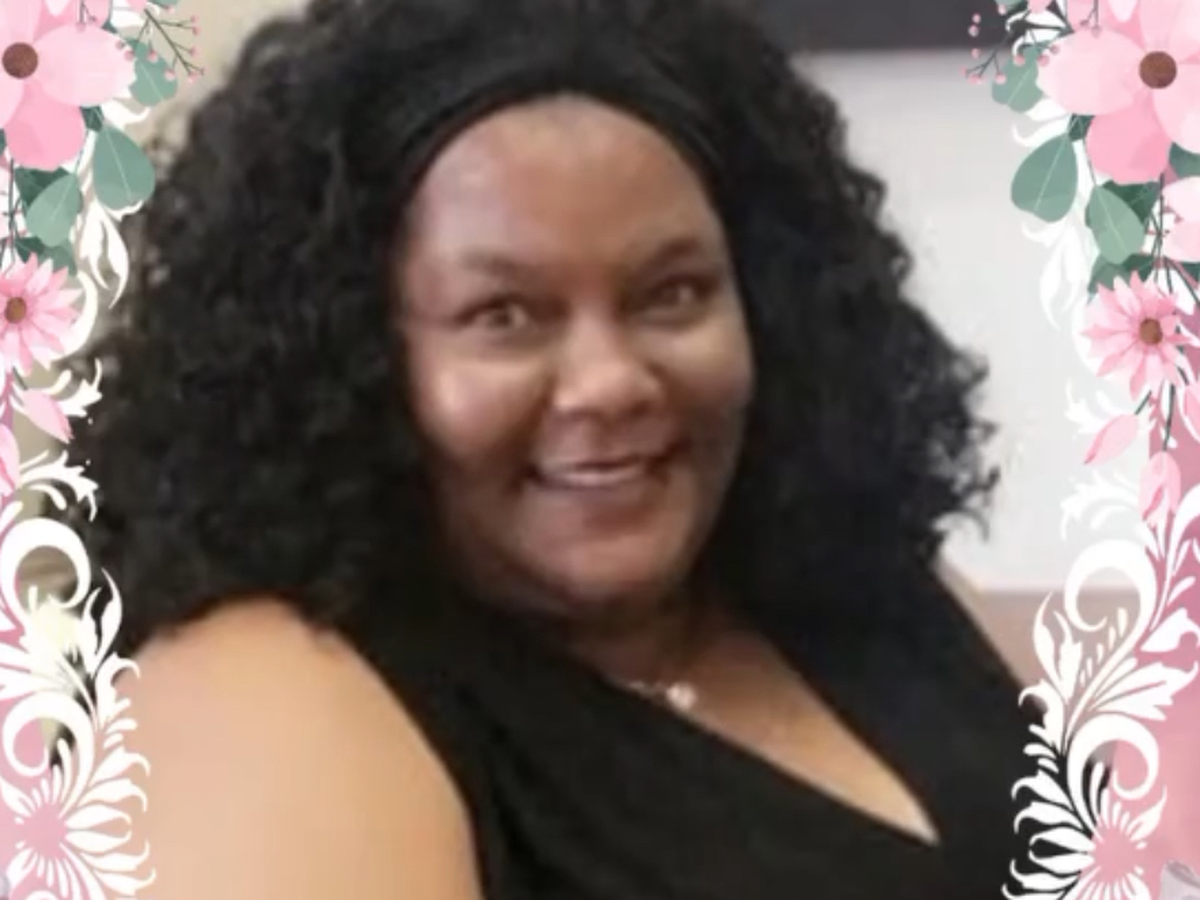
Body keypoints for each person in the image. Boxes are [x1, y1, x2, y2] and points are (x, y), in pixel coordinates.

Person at [60, 0, 1034, 896]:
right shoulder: (274, 697)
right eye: (505, 315)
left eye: (672, 294)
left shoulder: (862, 591)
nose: (610, 381)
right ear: (350, 356)